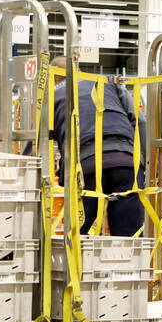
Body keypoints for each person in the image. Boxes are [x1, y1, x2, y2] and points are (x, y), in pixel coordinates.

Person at [49, 55, 146, 237]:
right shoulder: (106, 83)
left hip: (86, 167)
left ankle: (84, 266)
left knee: (84, 239)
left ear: (54, 77)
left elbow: (39, 142)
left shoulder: (51, 96)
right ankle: (128, 266)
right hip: (127, 162)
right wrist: (144, 162)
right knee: (129, 238)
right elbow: (140, 121)